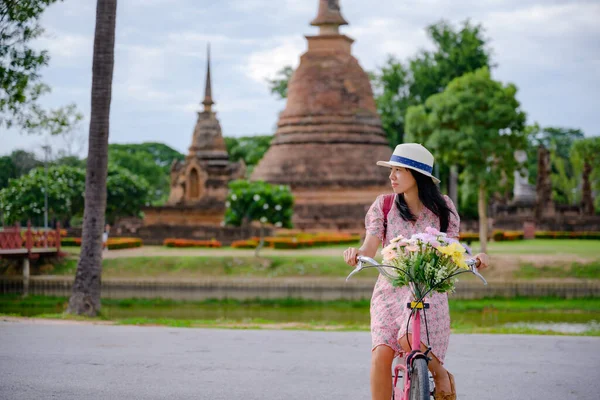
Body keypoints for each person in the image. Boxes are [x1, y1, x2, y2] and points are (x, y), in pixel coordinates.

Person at [343, 143, 489, 400]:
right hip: (390, 287)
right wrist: (357, 253)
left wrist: (473, 258)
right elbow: (370, 245)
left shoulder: (443, 208)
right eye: (391, 170)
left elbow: (453, 247)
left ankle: (439, 373)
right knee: (380, 353)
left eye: (399, 170)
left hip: (428, 287)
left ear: (417, 175)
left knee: (408, 339)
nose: (392, 176)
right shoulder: (384, 205)